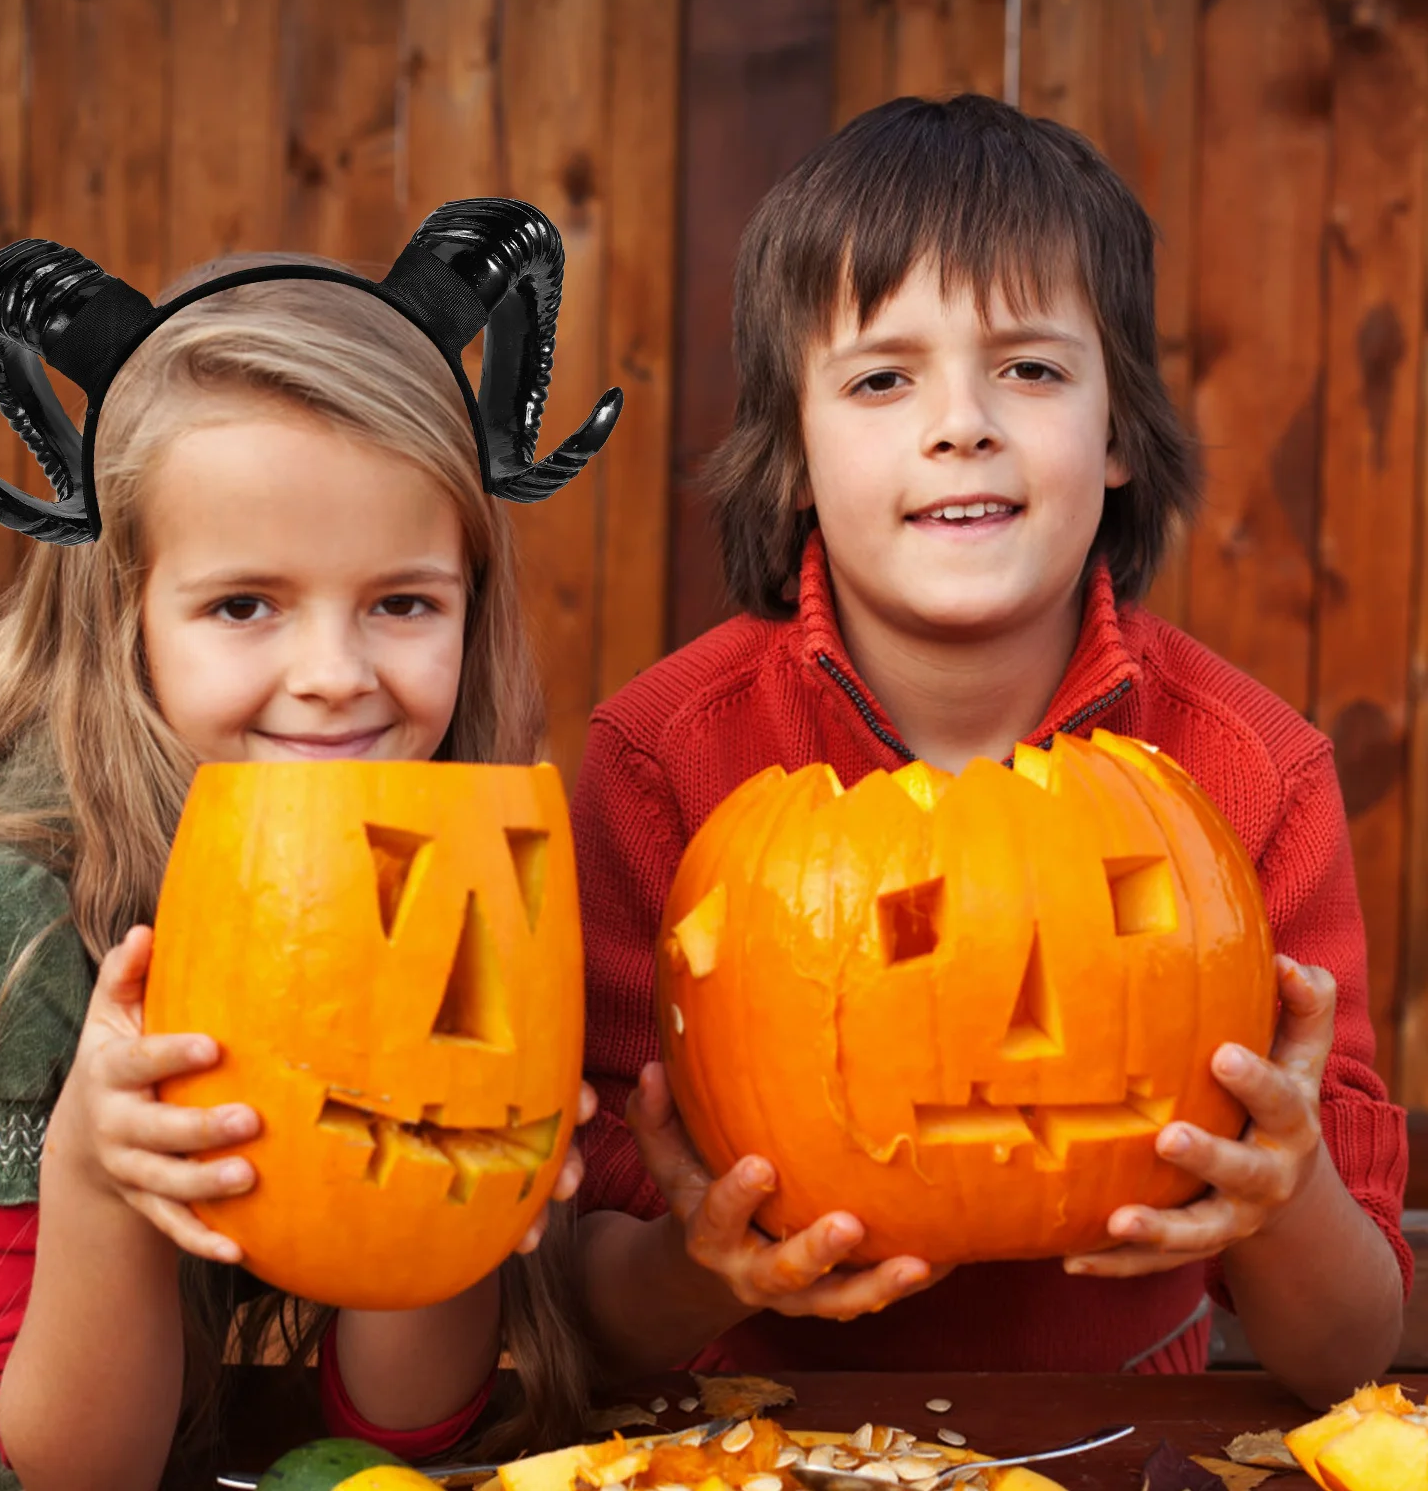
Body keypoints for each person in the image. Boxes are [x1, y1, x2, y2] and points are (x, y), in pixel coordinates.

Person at [571, 94, 1410, 1409]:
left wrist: (1284, 1190)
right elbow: (593, 1300)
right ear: (792, 453)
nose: (961, 422)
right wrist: (709, 1267)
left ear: (1121, 431)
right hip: (750, 1438)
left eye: (1029, 367)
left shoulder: (1257, 777)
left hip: (1129, 1439)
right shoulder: (662, 757)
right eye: (882, 377)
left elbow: (1349, 1352)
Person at [0, 239, 598, 1491]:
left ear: (471, 600)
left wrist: (457, 1188)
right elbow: (74, 1478)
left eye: (402, 603)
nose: (335, 674)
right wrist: (97, 1171)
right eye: (245, 605)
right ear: (121, 614)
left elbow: (405, 1423)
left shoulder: (440, 879)